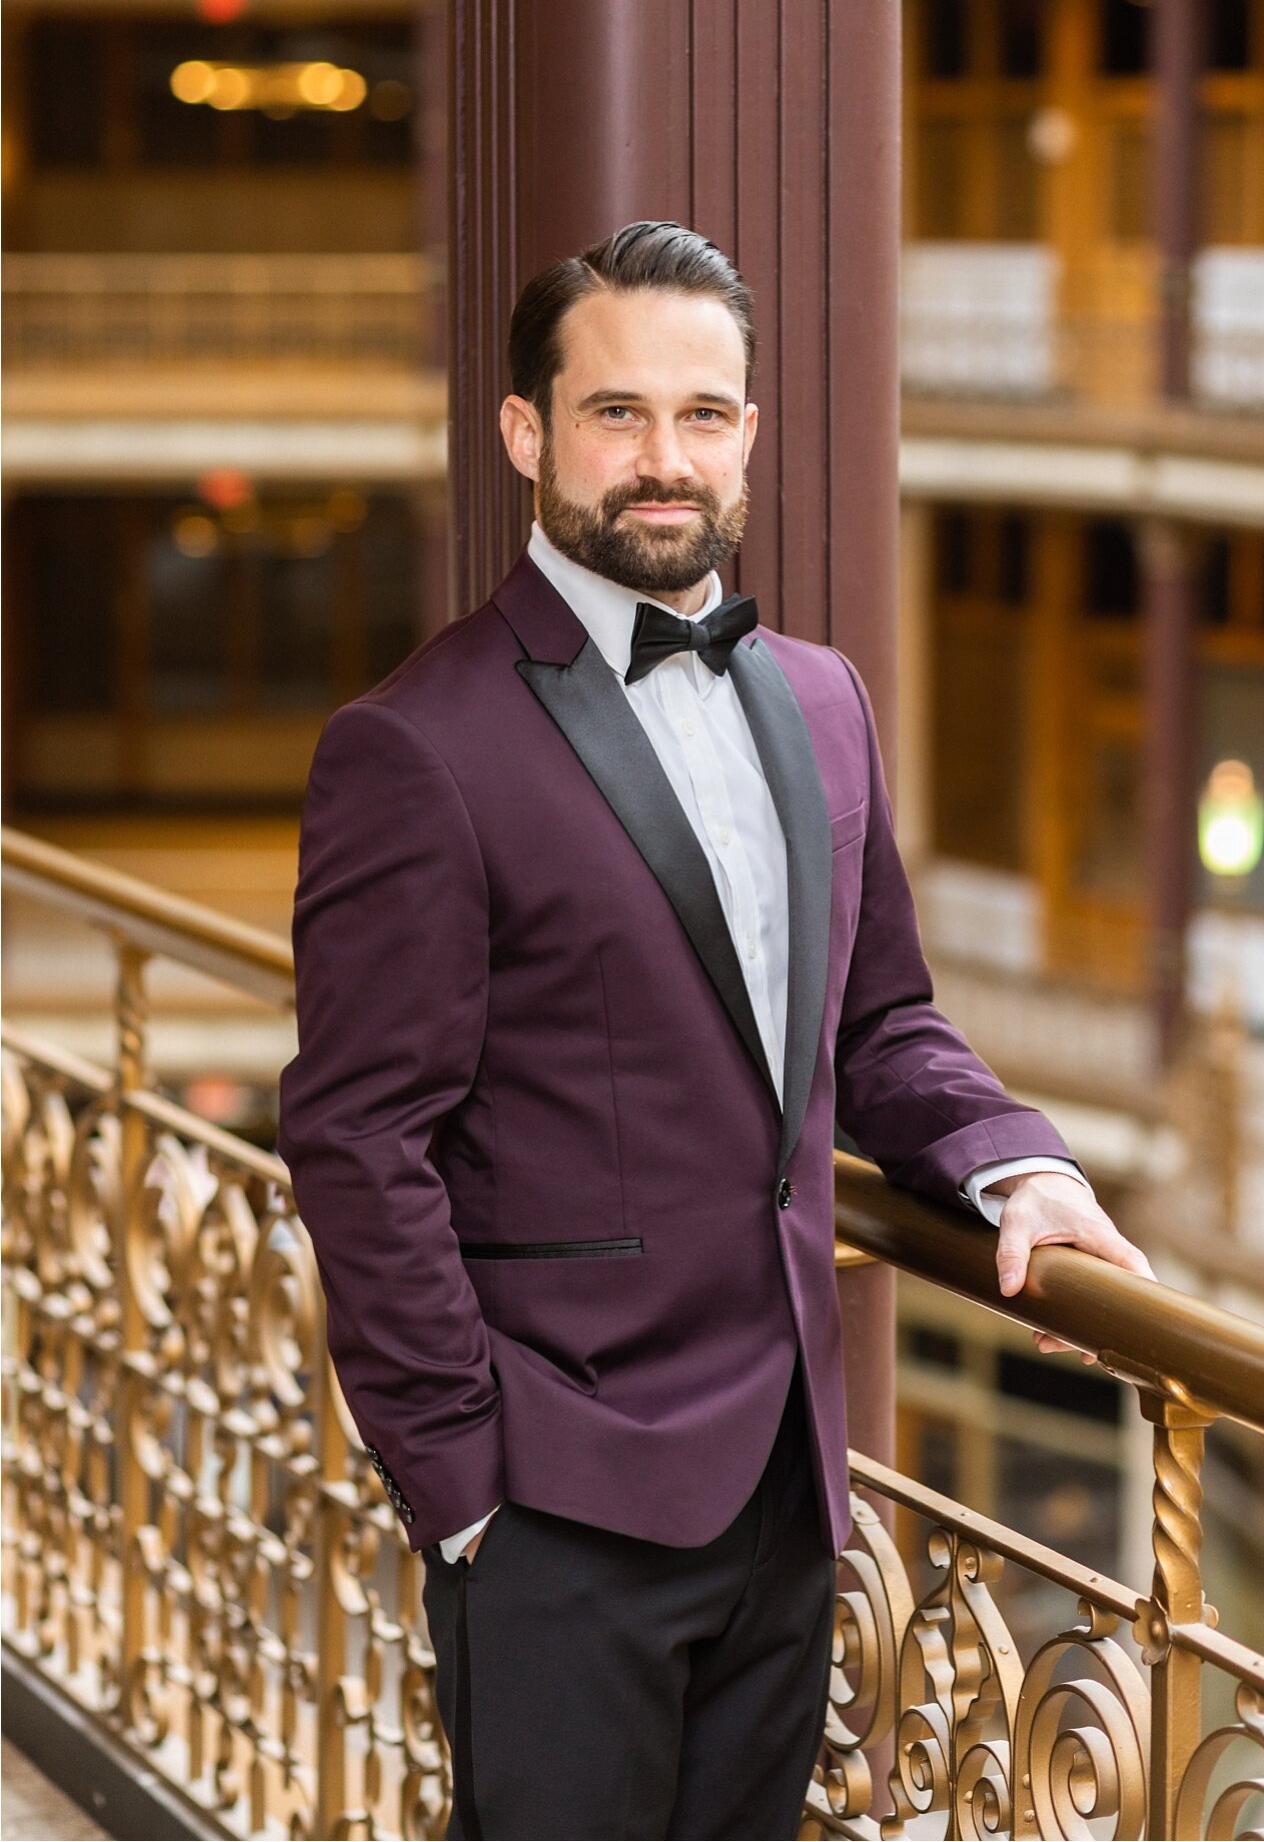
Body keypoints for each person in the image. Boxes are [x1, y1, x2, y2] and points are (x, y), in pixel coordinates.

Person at [276, 221, 1155, 1841]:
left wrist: (1012, 1167)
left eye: (705, 413)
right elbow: (354, 1134)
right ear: (528, 434)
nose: (664, 459)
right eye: (618, 413)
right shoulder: (415, 747)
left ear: (750, 432)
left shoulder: (822, 700)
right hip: (556, 1505)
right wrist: (466, 1490)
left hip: (787, 1492)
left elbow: (880, 1020)